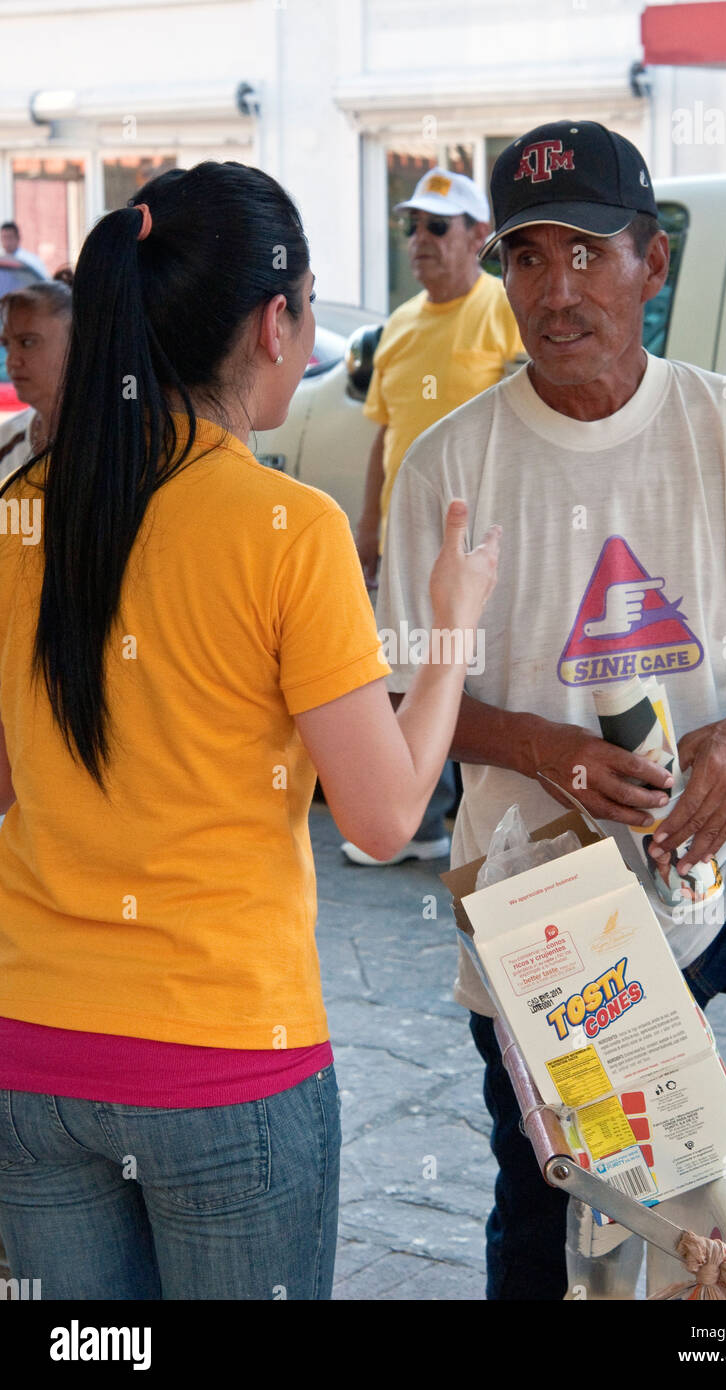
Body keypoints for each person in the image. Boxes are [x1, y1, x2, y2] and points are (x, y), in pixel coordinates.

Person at [376, 119, 726, 1300]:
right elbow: (409, 690)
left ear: (650, 262)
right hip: (546, 907)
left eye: (589, 252)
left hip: (725, 865)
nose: (557, 288)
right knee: (546, 1196)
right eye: (529, 258)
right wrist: (543, 749)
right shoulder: (449, 465)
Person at [0, 160, 499, 1301]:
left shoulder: (23, 513)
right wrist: (451, 623)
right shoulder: (286, 529)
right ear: (274, 322)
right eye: (312, 303)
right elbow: (379, 820)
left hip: (28, 1043)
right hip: (220, 1060)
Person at [343, 166, 523, 867]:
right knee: (405, 675)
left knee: (475, 674)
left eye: (436, 226)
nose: (418, 239)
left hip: (480, 539)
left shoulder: (499, 308)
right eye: (410, 226)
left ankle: (479, 825)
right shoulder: (399, 324)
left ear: (478, 237)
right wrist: (368, 525)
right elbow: (383, 435)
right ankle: (416, 824)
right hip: (407, 532)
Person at [0, 280, 72, 481]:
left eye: (28, 342)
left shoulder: (114, 444)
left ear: (75, 346)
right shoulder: (6, 442)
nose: (12, 361)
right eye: (7, 344)